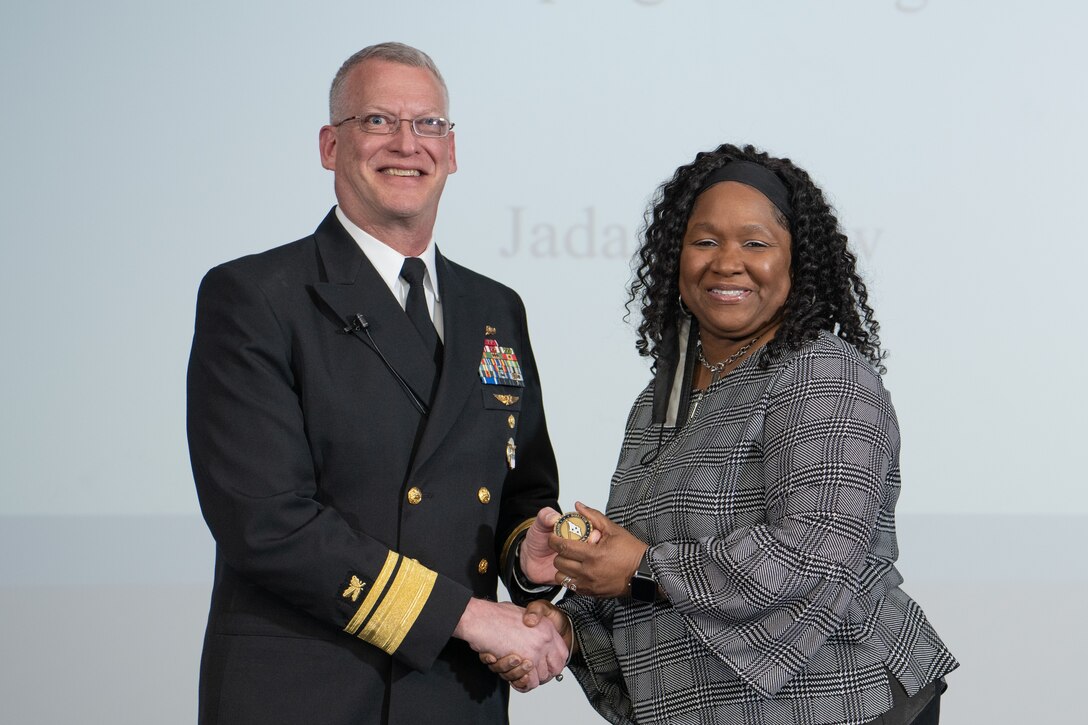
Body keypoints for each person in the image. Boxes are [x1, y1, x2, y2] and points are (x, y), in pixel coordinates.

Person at [486, 144, 959, 724]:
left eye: (756, 243)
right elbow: (645, 576)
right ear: (674, 258)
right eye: (705, 241)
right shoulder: (661, 400)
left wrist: (641, 567)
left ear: (797, 261)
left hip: (843, 699)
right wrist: (566, 628)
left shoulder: (821, 372)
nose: (727, 262)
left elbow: (819, 551)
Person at [186, 42, 568, 725]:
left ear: (452, 151)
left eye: (428, 125)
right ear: (331, 145)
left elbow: (522, 490)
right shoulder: (255, 296)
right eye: (377, 122)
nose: (406, 144)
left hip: (455, 697)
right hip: (307, 694)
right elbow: (267, 523)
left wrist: (531, 557)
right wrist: (472, 616)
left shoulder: (495, 307)